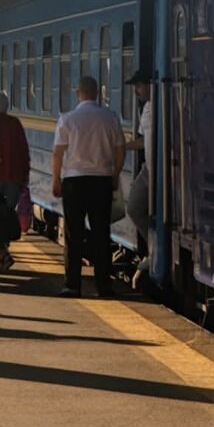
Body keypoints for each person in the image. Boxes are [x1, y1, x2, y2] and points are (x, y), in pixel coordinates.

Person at [52, 75, 125, 298]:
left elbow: (58, 153)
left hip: (74, 182)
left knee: (73, 235)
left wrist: (56, 179)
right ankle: (104, 286)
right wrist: (115, 175)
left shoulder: (67, 119)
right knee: (101, 234)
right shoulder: (111, 118)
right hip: (101, 181)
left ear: (78, 93)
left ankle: (72, 285)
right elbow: (120, 149)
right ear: (97, 93)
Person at [0, 89, 30, 274]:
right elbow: (24, 151)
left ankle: (2, 255)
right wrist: (25, 176)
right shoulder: (15, 123)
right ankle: (2, 256)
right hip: (14, 179)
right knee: (6, 218)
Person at [124, 69, 153, 288]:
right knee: (135, 208)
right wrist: (123, 146)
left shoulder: (161, 106)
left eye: (139, 86)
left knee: (135, 207)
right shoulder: (148, 108)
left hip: (158, 169)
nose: (136, 91)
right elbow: (145, 141)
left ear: (151, 84)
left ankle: (154, 250)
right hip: (149, 168)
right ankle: (153, 248)